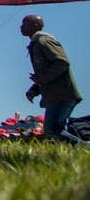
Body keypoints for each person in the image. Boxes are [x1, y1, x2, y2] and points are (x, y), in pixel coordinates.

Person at [20, 15, 85, 145]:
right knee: (54, 130)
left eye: (25, 23)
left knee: (54, 129)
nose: (21, 27)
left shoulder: (43, 41)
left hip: (62, 94)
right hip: (56, 95)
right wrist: (34, 89)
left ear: (35, 26)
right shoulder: (36, 43)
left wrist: (41, 79)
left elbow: (61, 62)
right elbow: (47, 71)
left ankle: (85, 149)